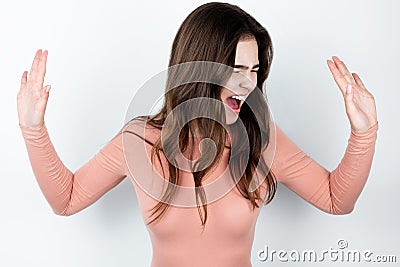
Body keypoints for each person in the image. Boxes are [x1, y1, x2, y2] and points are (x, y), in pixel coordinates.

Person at [17, 2, 378, 267]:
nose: (248, 82)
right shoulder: (140, 141)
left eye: (254, 69)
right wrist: (34, 129)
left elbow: (336, 200)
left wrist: (364, 133)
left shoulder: (261, 139)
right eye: (236, 68)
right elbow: (66, 200)